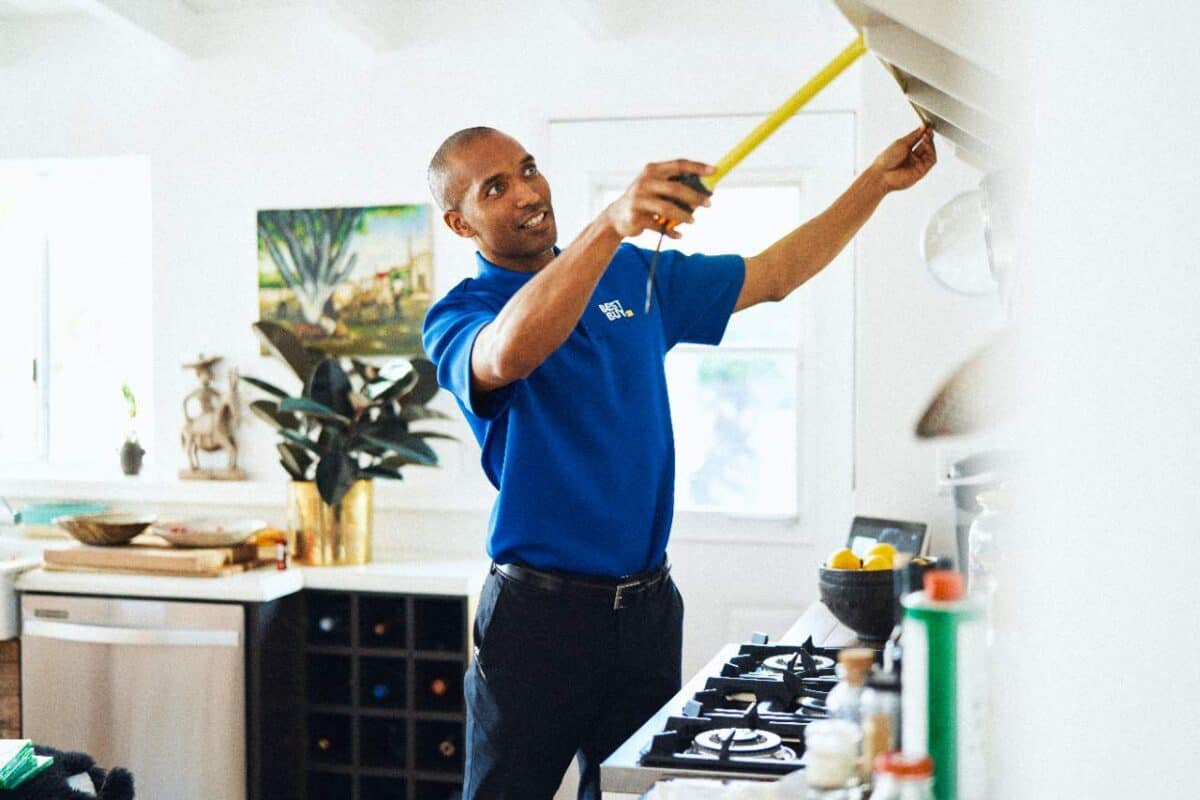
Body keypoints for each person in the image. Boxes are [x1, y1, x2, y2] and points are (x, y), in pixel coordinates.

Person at [421, 124, 936, 799]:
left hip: (647, 610)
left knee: (638, 796)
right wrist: (610, 224)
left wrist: (875, 184)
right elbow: (507, 354)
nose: (526, 192)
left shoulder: (635, 272)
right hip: (539, 619)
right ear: (461, 224)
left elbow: (774, 276)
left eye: (528, 169)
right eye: (496, 188)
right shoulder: (461, 313)